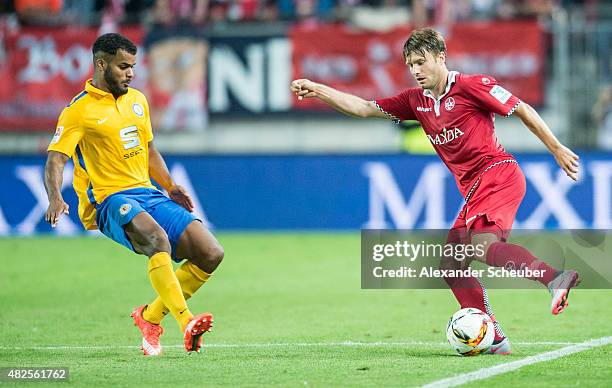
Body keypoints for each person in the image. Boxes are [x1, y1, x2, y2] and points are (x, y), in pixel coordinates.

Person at [290, 27, 580, 355]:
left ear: (440, 57)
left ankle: (554, 278)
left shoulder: (473, 86)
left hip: (498, 174)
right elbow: (362, 108)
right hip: (474, 190)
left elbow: (522, 108)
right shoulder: (415, 102)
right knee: (451, 265)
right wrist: (318, 89)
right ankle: (494, 338)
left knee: (485, 247)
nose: (415, 70)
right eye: (410, 64)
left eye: (421, 62)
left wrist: (556, 148)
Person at [44, 33, 224, 356]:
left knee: (210, 252)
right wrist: (56, 196)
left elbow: (150, 149)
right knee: (157, 241)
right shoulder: (78, 111)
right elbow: (56, 158)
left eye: (133, 66)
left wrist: (169, 185)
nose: (130, 73)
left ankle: (150, 317)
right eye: (123, 66)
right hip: (108, 199)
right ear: (101, 65)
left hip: (147, 192)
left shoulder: (138, 101)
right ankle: (186, 323)